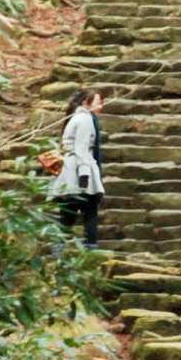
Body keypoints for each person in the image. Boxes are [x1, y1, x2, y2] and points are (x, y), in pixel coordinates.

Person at [48, 87, 106, 246]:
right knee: (90, 213)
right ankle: (91, 250)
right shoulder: (85, 119)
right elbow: (81, 148)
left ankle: (58, 252)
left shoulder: (75, 117)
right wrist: (85, 174)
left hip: (68, 171)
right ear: (85, 103)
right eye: (98, 102)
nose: (101, 105)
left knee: (67, 215)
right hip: (79, 171)